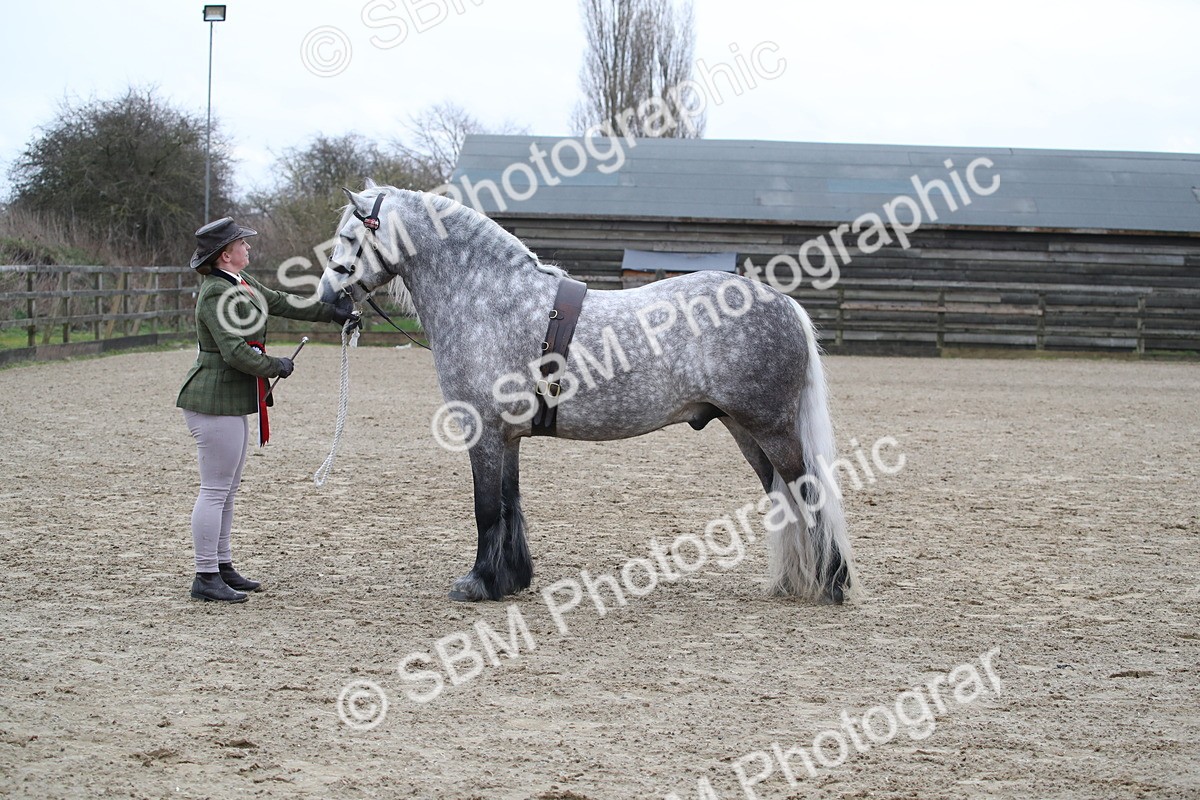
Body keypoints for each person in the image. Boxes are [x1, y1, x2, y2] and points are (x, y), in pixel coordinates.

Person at [177, 217, 354, 603]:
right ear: (226, 255)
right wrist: (275, 365)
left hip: (229, 400)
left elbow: (281, 301)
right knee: (215, 490)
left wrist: (331, 312)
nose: (248, 248)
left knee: (226, 491)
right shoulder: (215, 293)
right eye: (242, 244)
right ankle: (205, 574)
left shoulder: (239, 282)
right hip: (213, 400)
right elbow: (233, 351)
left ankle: (221, 565)